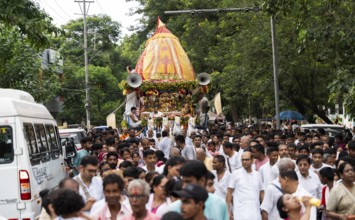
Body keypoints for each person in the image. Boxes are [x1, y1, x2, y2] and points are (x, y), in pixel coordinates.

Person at [226, 151, 264, 220]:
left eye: (247, 159)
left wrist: (264, 210)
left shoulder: (257, 175)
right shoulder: (235, 174)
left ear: (252, 160)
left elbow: (262, 192)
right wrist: (228, 211)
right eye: (242, 160)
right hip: (240, 213)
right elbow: (229, 192)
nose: (244, 162)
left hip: (255, 213)